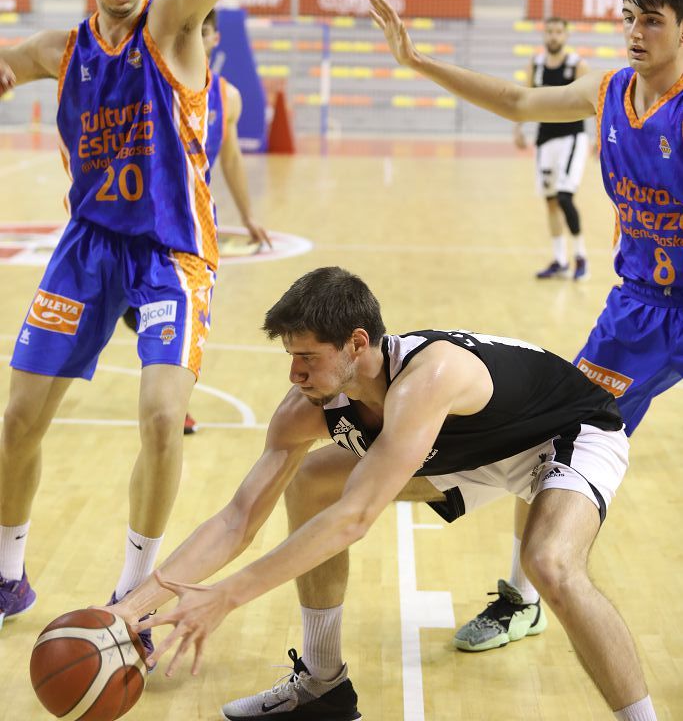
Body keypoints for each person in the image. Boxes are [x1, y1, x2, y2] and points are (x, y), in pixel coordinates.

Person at [0, 0, 303, 636]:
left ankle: (133, 587)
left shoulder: (173, 25)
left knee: (164, 416)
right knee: (18, 415)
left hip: (170, 252)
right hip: (88, 246)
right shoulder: (62, 51)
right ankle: (9, 570)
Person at [109, 266, 657, 721]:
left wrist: (226, 595)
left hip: (565, 433)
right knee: (311, 482)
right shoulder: (308, 407)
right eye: (290, 358)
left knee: (550, 563)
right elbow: (237, 518)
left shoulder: (429, 376)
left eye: (308, 357)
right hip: (469, 452)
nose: (296, 374)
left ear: (357, 343)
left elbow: (355, 519)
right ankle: (323, 686)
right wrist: (131, 611)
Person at [370, 0, 683, 656]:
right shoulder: (608, 93)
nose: (635, 32)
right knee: (552, 437)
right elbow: (516, 102)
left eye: (652, 21)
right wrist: (416, 60)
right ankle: (523, 599)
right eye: (629, 17)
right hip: (638, 311)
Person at [121, 8, 272, 435]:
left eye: (202, 31)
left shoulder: (229, 97)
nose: (194, 38)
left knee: (173, 327)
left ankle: (173, 403)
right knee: (140, 320)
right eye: (189, 29)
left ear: (214, 39)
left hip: (187, 235)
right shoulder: (155, 84)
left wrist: (248, 215)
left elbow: (231, 159)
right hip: (134, 227)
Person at [513, 16, 590, 281]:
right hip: (545, 138)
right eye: (550, 32)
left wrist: (601, 136)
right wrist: (518, 128)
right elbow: (521, 100)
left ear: (566, 35)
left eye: (559, 31)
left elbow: (594, 100)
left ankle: (580, 256)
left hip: (572, 138)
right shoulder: (534, 65)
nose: (554, 36)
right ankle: (560, 260)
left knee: (566, 197)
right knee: (551, 202)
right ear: (545, 35)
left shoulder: (576, 65)